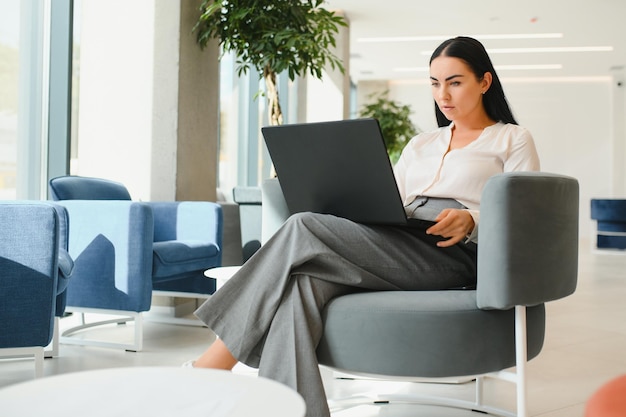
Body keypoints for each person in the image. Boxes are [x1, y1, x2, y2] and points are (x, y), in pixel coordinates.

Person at [189, 36, 540, 417]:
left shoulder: (511, 139)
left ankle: (213, 362)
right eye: (435, 83)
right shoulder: (421, 143)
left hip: (453, 251)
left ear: (484, 82)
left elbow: (524, 215)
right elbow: (392, 198)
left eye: (455, 82)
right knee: (302, 284)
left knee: (302, 225)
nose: (443, 94)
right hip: (401, 236)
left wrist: (473, 219)